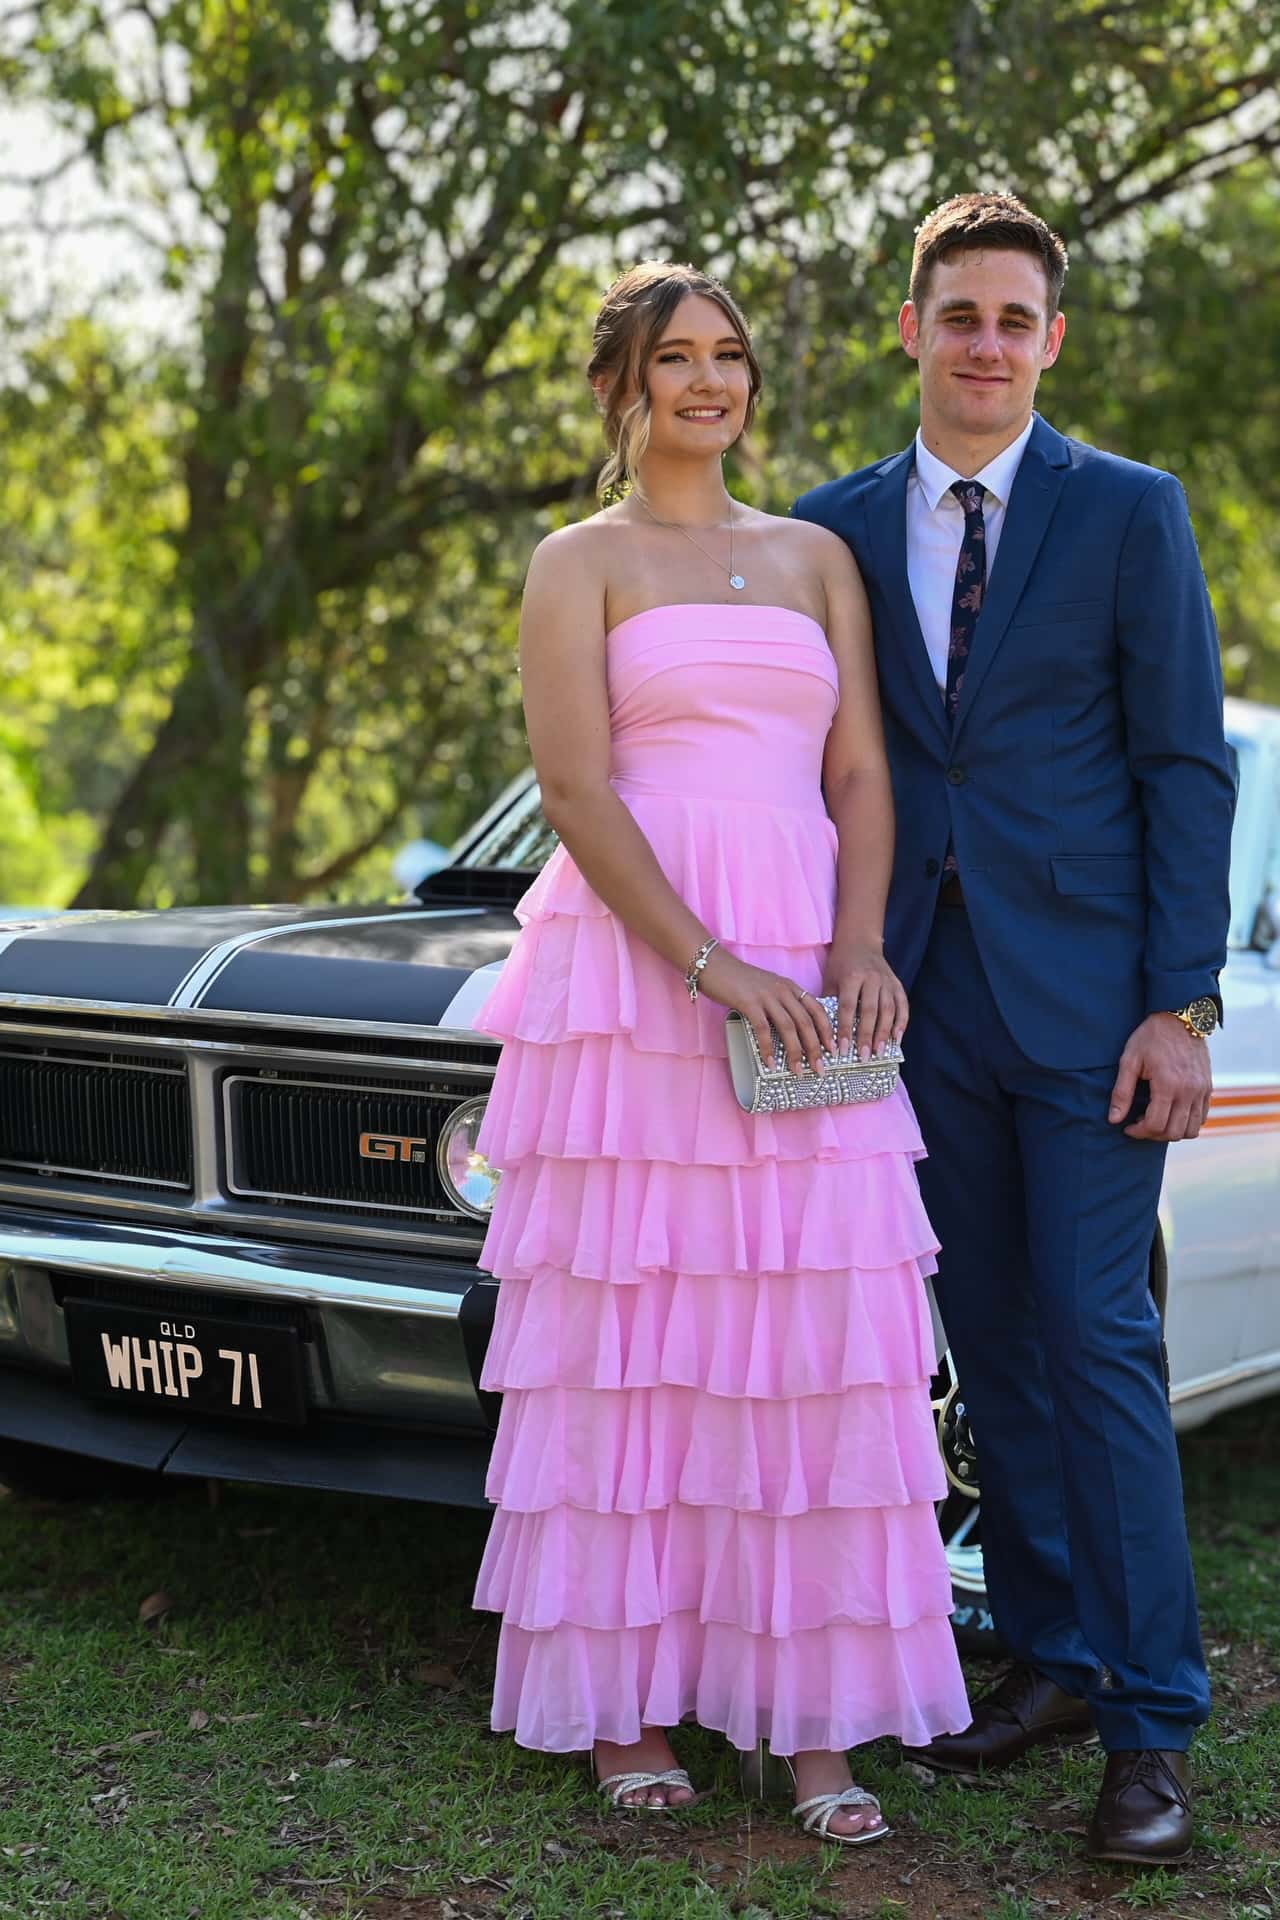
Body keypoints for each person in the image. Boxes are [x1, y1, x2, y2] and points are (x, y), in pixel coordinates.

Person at [469, 260, 969, 1843]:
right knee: (640, 1339)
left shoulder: (819, 555)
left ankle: (816, 1730)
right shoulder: (577, 563)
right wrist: (710, 964)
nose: (709, 381)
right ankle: (628, 1707)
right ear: (620, 389)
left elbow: (864, 775)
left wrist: (858, 945)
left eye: (731, 356)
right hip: (637, 986)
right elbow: (577, 794)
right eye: (674, 358)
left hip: (814, 986)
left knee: (818, 1343)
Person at [793, 193, 1235, 1865]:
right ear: (909, 329)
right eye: (957, 314)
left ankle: (1149, 1726)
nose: (985, 343)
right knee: (984, 1342)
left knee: (1098, 1343)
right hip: (916, 1005)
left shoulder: (1129, 513)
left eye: (1014, 320)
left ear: (1053, 341)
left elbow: (1188, 763)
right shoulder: (831, 532)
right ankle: (1049, 1654)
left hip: (1093, 1008)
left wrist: (1178, 1003)